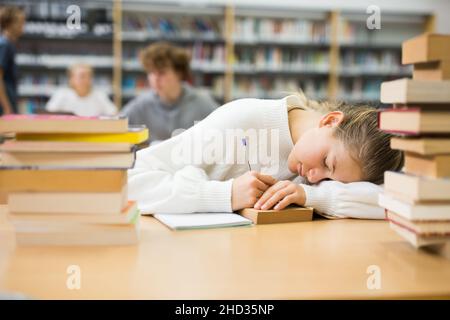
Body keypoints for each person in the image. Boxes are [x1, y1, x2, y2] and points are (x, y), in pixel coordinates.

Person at [128, 93, 404, 219]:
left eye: (333, 179)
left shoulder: (332, 162)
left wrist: (313, 196)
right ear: (330, 121)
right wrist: (225, 194)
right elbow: (129, 182)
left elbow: (396, 203)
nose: (316, 177)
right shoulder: (241, 120)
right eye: (326, 164)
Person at [120, 42, 218, 143]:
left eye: (162, 73)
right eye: (151, 72)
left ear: (179, 73)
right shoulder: (140, 105)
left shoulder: (202, 103)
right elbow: (116, 128)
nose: (155, 79)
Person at [45, 63, 117, 116]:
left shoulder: (99, 95)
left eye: (89, 76)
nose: (86, 79)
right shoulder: (62, 94)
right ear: (71, 79)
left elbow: (114, 114)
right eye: (82, 76)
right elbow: (48, 114)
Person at [0, 6, 25, 115]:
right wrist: (7, 107)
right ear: (9, 24)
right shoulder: (4, 45)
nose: (22, 27)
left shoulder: (9, 45)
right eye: (20, 23)